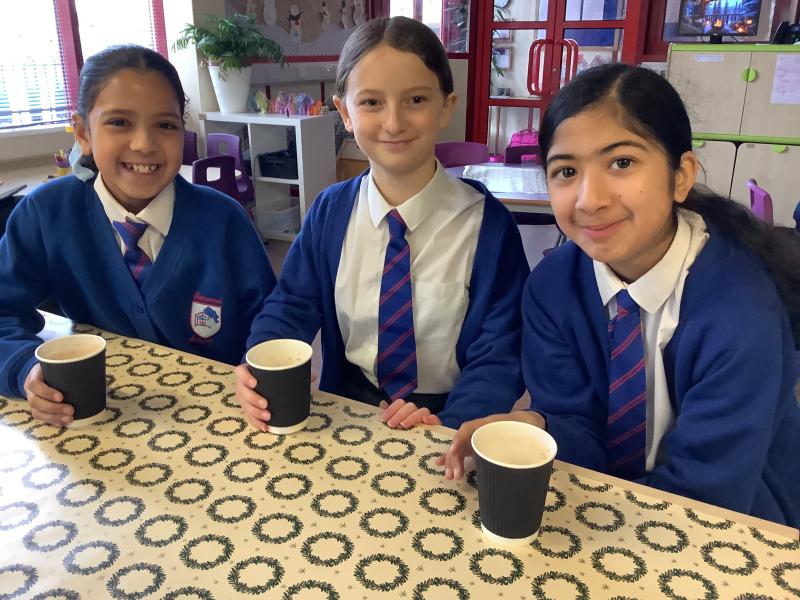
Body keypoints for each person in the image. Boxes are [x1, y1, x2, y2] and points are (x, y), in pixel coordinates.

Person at [441, 63, 800, 527]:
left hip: (739, 523)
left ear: (681, 175)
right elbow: (583, 434)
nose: (590, 199)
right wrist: (541, 426)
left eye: (622, 163)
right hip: (612, 507)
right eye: (566, 171)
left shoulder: (742, 311)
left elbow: (713, 491)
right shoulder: (553, 289)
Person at [236, 17, 528, 432]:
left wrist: (452, 421)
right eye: (372, 102)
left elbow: (501, 353)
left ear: (446, 106)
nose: (393, 123)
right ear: (345, 112)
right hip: (346, 411)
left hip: (446, 421)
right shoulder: (328, 213)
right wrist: (260, 363)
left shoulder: (489, 227)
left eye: (416, 100)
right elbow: (290, 305)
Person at [0, 45, 276, 427]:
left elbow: (271, 322)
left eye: (166, 125)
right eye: (119, 122)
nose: (144, 143)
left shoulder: (225, 221)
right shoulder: (47, 214)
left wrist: (261, 370)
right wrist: (24, 367)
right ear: (82, 133)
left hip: (225, 422)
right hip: (103, 425)